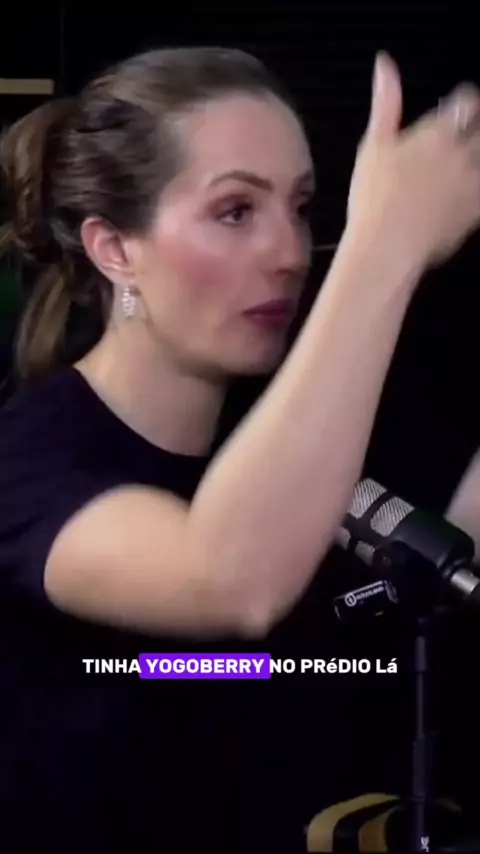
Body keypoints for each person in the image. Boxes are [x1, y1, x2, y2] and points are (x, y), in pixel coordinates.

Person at [0, 44, 480, 852]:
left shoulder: (319, 427)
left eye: (301, 207)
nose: (289, 253)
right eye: (235, 212)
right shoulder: (29, 464)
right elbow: (231, 578)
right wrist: (384, 248)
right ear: (115, 248)